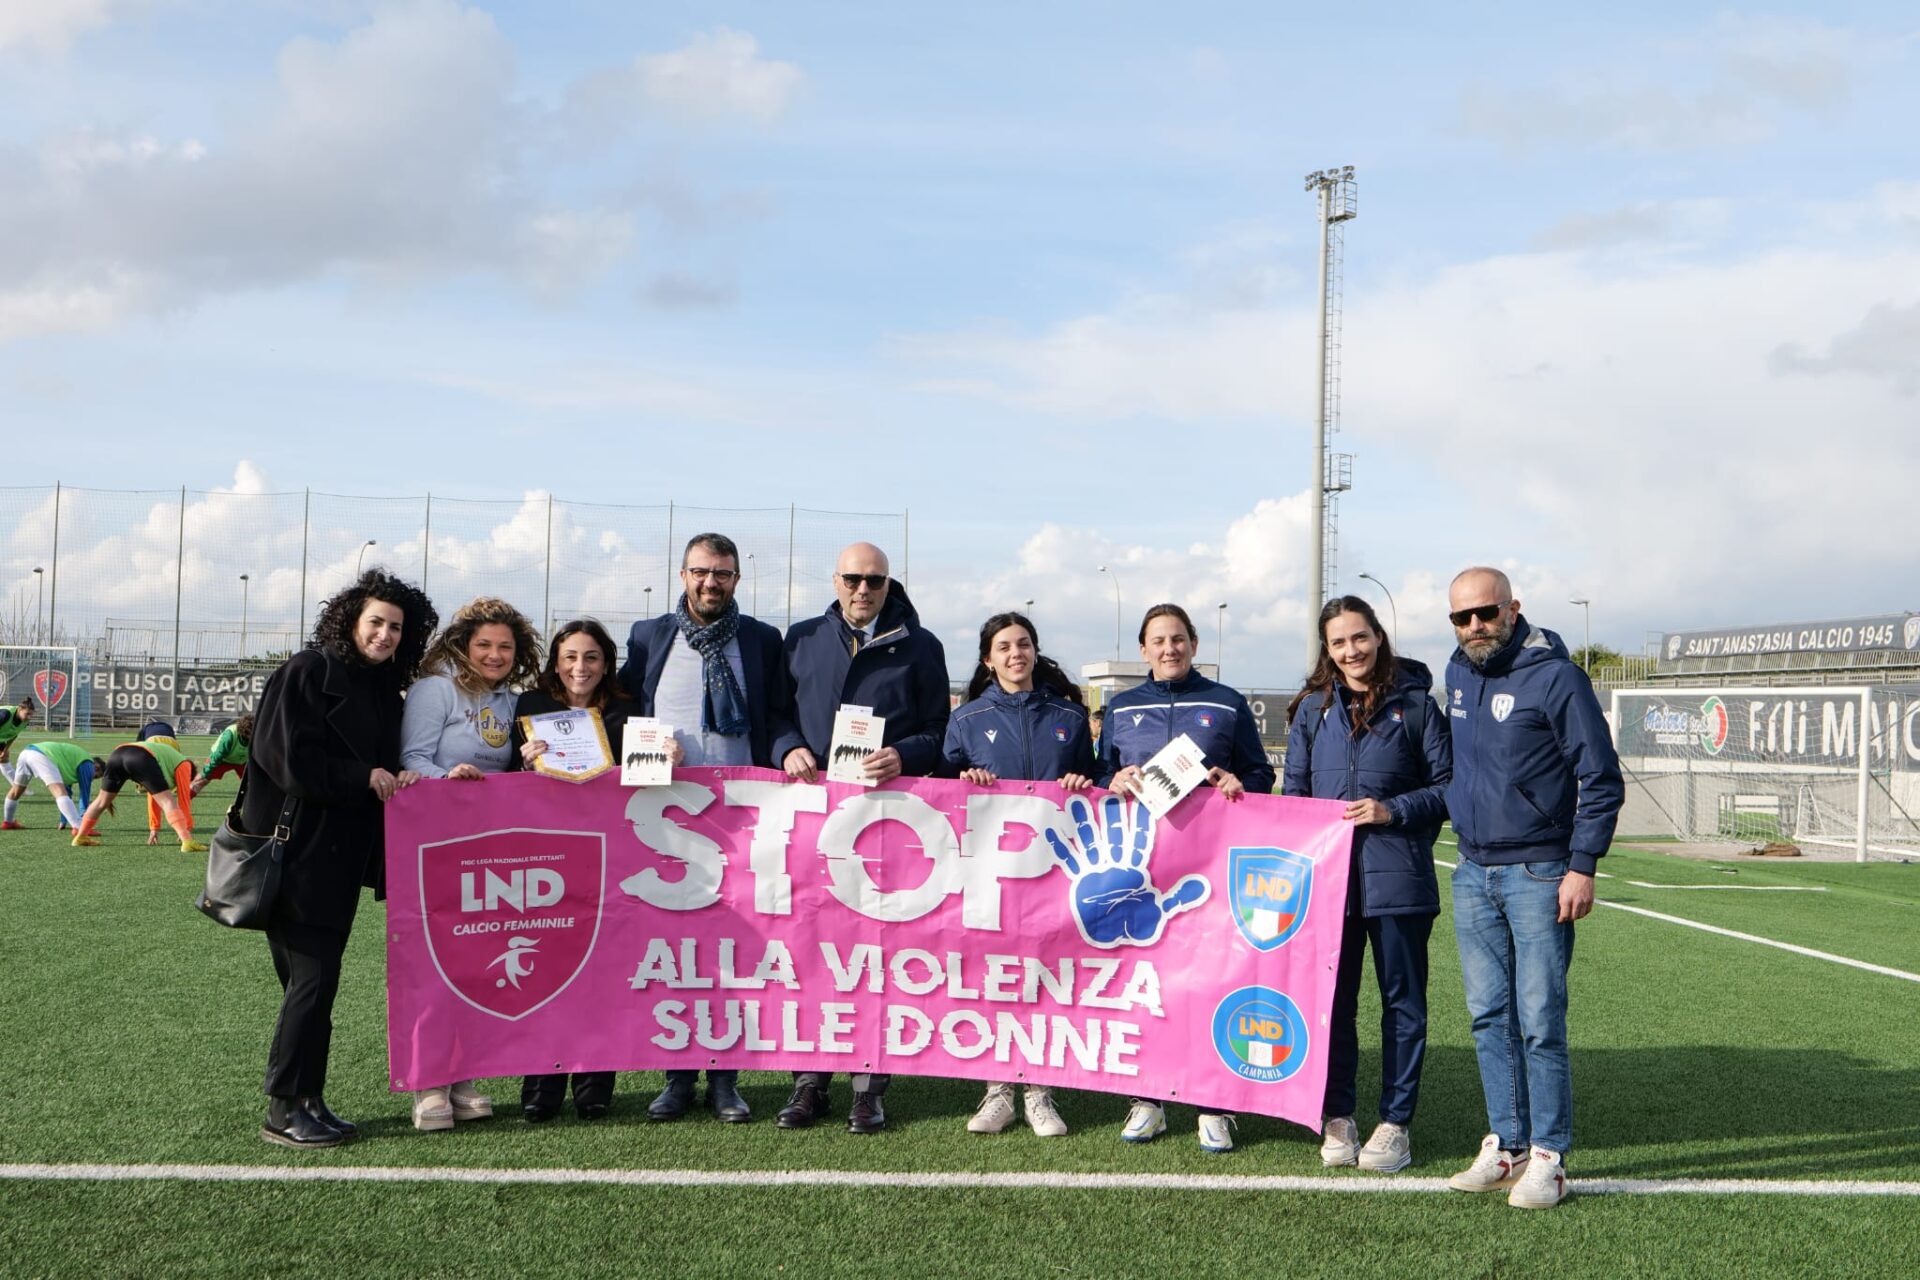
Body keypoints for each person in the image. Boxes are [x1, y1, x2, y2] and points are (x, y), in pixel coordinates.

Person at [1442, 566, 1623, 1209]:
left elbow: (1601, 778)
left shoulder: (1558, 678)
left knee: (1539, 1019)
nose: (1474, 627)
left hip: (1540, 873)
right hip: (1471, 872)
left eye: (1485, 613)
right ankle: (1507, 1145)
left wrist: (1583, 865)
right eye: (1461, 618)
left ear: (1513, 608)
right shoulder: (1457, 672)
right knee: (1489, 1016)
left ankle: (1549, 1156)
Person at [248, 567, 436, 1148]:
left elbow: (383, 766)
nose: (384, 635)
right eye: (375, 622)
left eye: (397, 628)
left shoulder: (382, 689)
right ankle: (284, 1108)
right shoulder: (306, 671)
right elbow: (283, 759)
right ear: (350, 620)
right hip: (296, 853)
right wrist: (364, 776)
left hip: (341, 859)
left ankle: (308, 1097)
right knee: (312, 979)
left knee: (314, 983)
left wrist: (398, 775)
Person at [774, 540, 950, 1135]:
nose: (862, 590)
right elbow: (773, 716)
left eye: (874, 581)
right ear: (835, 579)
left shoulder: (921, 647)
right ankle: (808, 1084)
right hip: (809, 821)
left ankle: (869, 1088)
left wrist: (905, 753)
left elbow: (940, 733)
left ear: (889, 584)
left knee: (874, 959)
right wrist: (786, 747)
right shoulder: (799, 639)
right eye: (852, 578)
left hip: (885, 825)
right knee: (811, 951)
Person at [619, 532, 792, 1126]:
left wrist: (791, 748)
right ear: (683, 574)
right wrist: (638, 744)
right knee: (676, 948)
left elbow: (776, 715)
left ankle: (725, 1079)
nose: (709, 583)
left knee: (734, 948)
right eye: (700, 572)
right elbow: (621, 708)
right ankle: (675, 1077)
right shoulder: (648, 636)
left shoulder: (763, 640)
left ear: (737, 580)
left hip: (742, 811)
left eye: (721, 573)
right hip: (666, 812)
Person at [1097, 602, 1274, 1153]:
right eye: (1158, 641)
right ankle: (1147, 1099)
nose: (1169, 649)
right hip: (1141, 868)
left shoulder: (1226, 703)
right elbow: (1100, 772)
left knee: (1210, 980)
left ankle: (1212, 1103)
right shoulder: (1121, 706)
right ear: (1144, 649)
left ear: (1195, 645)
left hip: (1209, 867)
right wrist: (1114, 778)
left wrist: (1234, 780)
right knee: (1146, 984)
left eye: (1179, 639)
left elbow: (1262, 776)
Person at [1283, 596, 1450, 1175]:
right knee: (1333, 1005)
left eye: (1359, 637)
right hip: (1328, 889)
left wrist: (1392, 811)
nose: (1351, 650)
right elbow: (1294, 799)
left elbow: (1449, 789)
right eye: (1338, 642)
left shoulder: (1419, 707)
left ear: (1378, 637)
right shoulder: (1311, 711)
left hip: (1399, 882)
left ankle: (1395, 1124)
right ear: (1327, 651)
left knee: (1403, 1006)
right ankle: (1338, 1114)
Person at [942, 610, 1094, 1139]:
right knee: (995, 976)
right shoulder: (965, 719)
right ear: (988, 658)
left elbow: (1093, 782)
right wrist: (966, 778)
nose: (1015, 654)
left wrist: (1081, 780)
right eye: (1004, 646)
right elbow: (940, 789)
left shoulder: (1070, 717)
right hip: (991, 871)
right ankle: (998, 1091)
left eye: (1023, 644)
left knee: (1048, 977)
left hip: (1054, 870)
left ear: (1035, 650)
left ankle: (1041, 1091)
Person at [399, 595, 542, 1132]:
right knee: (431, 963)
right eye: (483, 644)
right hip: (432, 839)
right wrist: (448, 780)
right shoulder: (435, 689)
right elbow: (412, 759)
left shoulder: (511, 701)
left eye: (505, 646)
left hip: (484, 846)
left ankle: (462, 1077)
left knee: (473, 963)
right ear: (462, 645)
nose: (495, 654)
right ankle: (427, 1084)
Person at [512, 618, 640, 1123]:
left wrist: (663, 759)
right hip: (544, 856)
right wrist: (524, 762)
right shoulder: (531, 708)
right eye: (569, 657)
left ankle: (594, 1083)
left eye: (590, 657)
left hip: (609, 854)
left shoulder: (628, 712)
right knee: (547, 966)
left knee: (599, 970)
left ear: (606, 663)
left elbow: (644, 779)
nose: (579, 668)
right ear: (555, 662)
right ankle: (541, 1084)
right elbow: (503, 779)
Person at [68, 729, 205, 853]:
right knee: (168, 801)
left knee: (101, 802)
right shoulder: (184, 764)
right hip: (140, 756)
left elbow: (152, 797)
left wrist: (154, 829)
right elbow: (184, 799)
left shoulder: (166, 764)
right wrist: (187, 830)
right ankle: (188, 842)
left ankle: (81, 837)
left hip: (117, 754)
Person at [2, 740, 104, 831]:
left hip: (26, 753)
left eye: (95, 777)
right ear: (94, 764)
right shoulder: (88, 764)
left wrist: (63, 820)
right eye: (96, 772)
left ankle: (8, 822)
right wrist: (84, 823)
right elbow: (84, 794)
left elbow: (67, 794)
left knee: (16, 791)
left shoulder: (71, 766)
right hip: (41, 755)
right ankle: (79, 826)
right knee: (59, 792)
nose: (93, 775)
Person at [190, 714, 253, 798]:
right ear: (246, 732)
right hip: (222, 760)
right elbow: (218, 755)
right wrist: (205, 773)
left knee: (254, 784)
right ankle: (183, 801)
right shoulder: (230, 735)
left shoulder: (257, 733)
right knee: (201, 781)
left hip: (242, 762)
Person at [0, 696, 32, 790]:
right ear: (19, 709)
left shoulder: (25, 721)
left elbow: (14, 734)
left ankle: (18, 787)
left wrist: (5, 750)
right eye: (27, 714)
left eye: (31, 715)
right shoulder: (5, 714)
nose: (29, 717)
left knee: (4, 758)